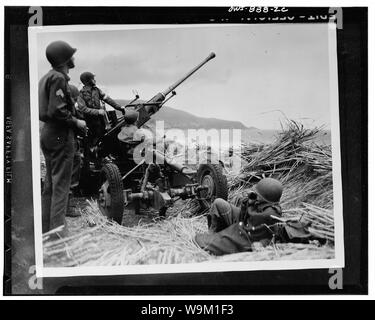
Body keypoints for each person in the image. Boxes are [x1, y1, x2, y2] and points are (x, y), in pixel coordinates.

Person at [39, 40, 86, 234]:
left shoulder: (46, 78)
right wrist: (78, 123)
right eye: (71, 55)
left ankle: (44, 231)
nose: (74, 58)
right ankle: (58, 238)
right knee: (61, 188)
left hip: (48, 134)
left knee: (50, 185)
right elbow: (57, 111)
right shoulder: (59, 78)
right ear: (65, 59)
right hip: (60, 135)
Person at [194, 177, 283, 255]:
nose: (256, 196)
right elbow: (244, 213)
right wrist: (249, 201)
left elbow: (264, 234)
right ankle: (213, 234)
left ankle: (215, 240)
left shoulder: (270, 214)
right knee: (218, 203)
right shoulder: (260, 203)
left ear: (265, 198)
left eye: (258, 195)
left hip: (246, 233)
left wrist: (262, 244)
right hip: (242, 221)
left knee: (204, 242)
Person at [77, 71, 126, 148]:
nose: (95, 80)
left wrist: (119, 107)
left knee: (103, 135)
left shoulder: (97, 90)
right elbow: (82, 108)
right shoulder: (81, 94)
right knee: (93, 139)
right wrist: (97, 111)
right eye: (93, 79)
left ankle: (102, 154)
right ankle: (92, 155)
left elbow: (108, 99)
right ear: (89, 80)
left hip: (99, 120)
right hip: (89, 121)